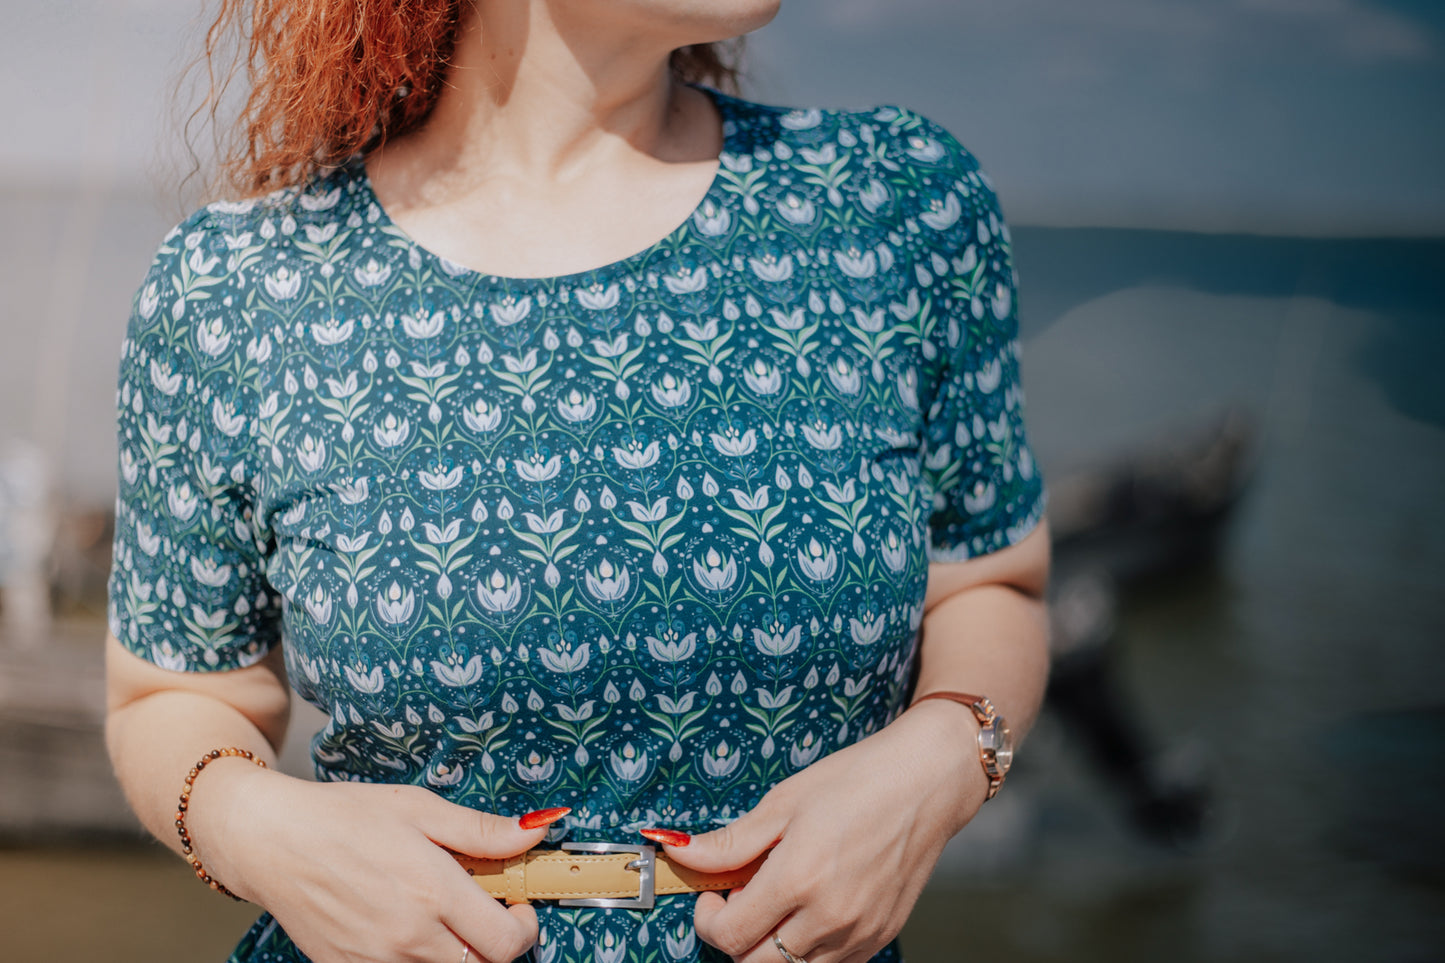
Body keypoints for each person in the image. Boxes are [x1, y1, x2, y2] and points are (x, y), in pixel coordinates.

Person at [103, 1, 1051, 961]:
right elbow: (170, 691)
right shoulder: (237, 288)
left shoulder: (892, 204)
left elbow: (991, 578)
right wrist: (262, 831)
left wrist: (943, 762)